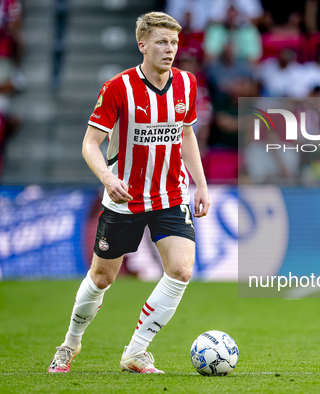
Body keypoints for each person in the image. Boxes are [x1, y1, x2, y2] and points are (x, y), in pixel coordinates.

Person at [48, 12, 210, 374]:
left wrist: (200, 183)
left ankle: (135, 352)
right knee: (102, 278)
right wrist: (108, 178)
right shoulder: (118, 88)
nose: (170, 49)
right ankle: (70, 344)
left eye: (174, 42)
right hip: (125, 199)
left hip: (169, 195)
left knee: (181, 270)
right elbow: (90, 143)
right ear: (143, 45)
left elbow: (186, 135)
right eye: (161, 42)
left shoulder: (187, 84)